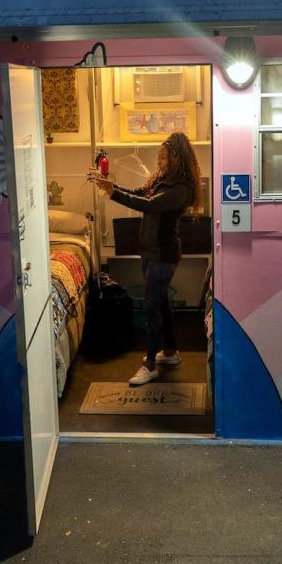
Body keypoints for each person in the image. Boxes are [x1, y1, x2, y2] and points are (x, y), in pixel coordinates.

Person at [88, 132, 204, 386]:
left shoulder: (183, 187)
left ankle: (150, 364)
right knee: (160, 302)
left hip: (164, 254)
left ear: (177, 158)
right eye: (159, 157)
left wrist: (112, 193)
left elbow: (149, 205)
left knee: (151, 307)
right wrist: (110, 185)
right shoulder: (163, 179)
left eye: (163, 157)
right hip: (150, 251)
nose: (159, 161)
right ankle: (170, 352)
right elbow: (140, 193)